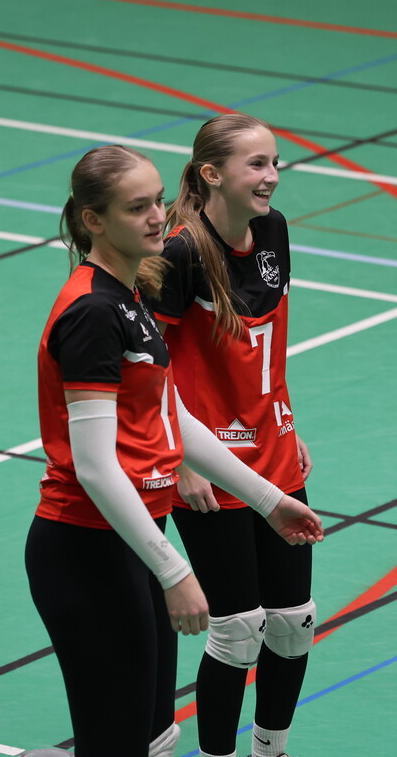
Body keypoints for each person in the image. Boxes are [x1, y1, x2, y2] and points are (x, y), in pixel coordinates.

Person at [25, 144, 324, 757]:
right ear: (93, 221)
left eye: (158, 200)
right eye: (137, 207)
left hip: (131, 542)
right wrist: (176, 572)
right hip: (87, 549)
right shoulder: (93, 311)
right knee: (118, 741)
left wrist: (269, 501)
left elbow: (175, 418)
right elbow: (94, 466)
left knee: (155, 737)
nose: (159, 216)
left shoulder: (131, 294)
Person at [137, 113, 314, 757]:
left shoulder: (274, 231)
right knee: (239, 631)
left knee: (293, 625)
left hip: (275, 448)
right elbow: (148, 367)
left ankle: (271, 749)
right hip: (210, 464)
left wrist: (287, 420)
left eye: (275, 162)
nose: (272, 176)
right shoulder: (180, 253)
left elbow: (270, 342)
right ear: (212, 174)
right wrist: (182, 460)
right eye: (256, 164)